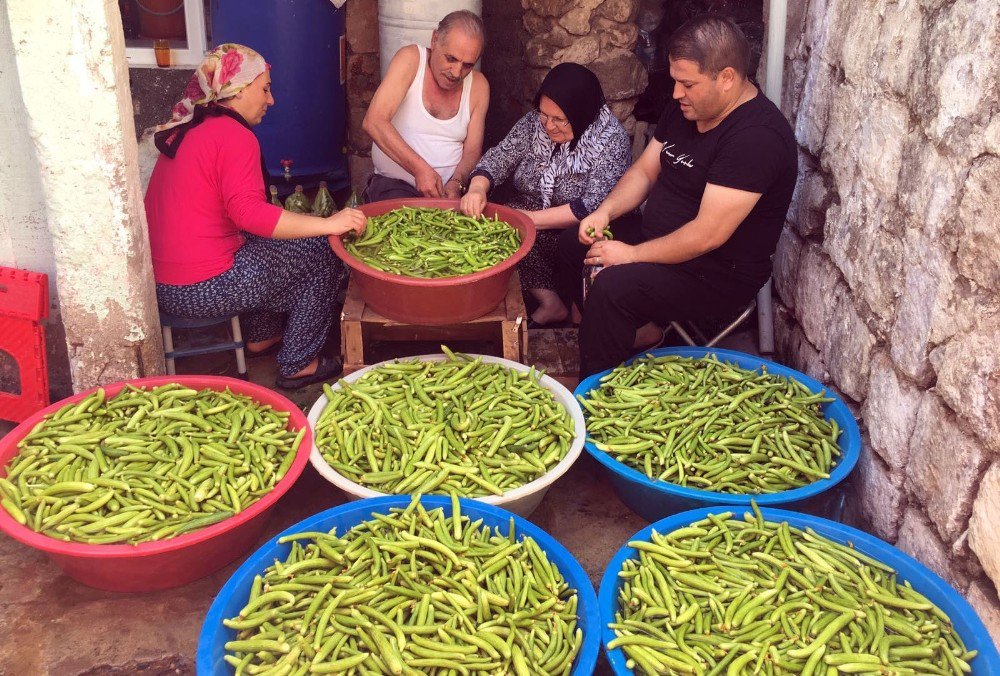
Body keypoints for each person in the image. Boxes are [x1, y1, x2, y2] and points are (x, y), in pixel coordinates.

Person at [563, 15, 797, 376]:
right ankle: (640, 334)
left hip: (715, 273)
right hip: (659, 243)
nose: (675, 94)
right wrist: (604, 213)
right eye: (674, 81)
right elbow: (644, 171)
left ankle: (595, 397)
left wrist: (631, 256)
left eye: (687, 84)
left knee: (612, 288)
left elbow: (707, 235)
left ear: (727, 78)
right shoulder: (688, 108)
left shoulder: (757, 138)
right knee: (570, 244)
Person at [144, 44, 367, 389]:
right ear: (238, 90)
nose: (271, 99)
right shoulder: (234, 136)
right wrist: (329, 224)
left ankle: (262, 337)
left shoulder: (191, 128)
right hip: (202, 288)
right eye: (264, 88)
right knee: (324, 250)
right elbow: (250, 214)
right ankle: (299, 363)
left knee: (270, 244)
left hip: (161, 287)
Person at [460, 63, 635, 328]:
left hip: (583, 227)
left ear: (581, 113)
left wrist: (526, 220)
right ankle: (550, 302)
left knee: (516, 229)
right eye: (544, 115)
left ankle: (578, 307)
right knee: (493, 222)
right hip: (535, 210)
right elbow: (500, 157)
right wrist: (476, 188)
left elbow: (591, 206)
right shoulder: (534, 124)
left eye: (559, 119)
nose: (549, 126)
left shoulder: (611, 142)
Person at [362, 10, 490, 202]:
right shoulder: (411, 60)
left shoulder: (479, 86)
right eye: (451, 59)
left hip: (449, 194)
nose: (456, 73)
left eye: (468, 65)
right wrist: (419, 169)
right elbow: (374, 121)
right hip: (394, 185)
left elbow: (472, 150)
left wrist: (457, 183)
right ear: (434, 39)